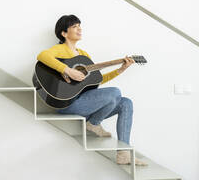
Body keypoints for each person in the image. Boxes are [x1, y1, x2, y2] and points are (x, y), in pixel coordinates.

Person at [36, 14, 147, 166]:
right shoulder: (60, 49)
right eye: (75, 26)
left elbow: (97, 80)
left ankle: (124, 154)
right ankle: (94, 123)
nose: (79, 29)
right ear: (64, 33)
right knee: (115, 92)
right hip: (67, 104)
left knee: (126, 103)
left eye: (80, 26)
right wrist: (68, 70)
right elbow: (42, 55)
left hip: (85, 103)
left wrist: (121, 69)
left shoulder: (84, 55)